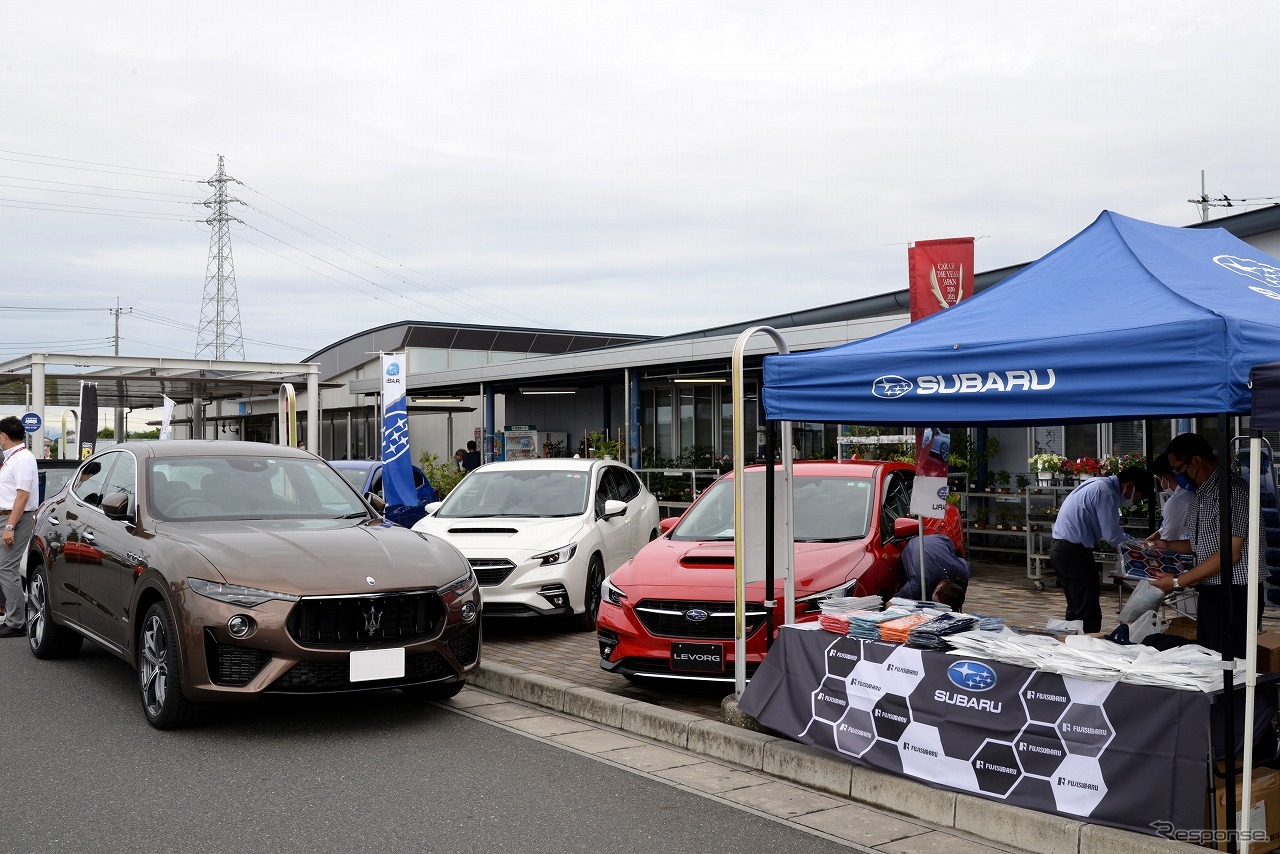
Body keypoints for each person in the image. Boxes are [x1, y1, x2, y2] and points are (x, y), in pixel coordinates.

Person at [1150, 433, 1255, 657]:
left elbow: (1229, 553)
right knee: (1208, 659)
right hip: (1211, 591)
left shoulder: (1230, 491)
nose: (1177, 476)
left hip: (1234, 592)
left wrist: (1178, 581)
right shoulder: (1202, 492)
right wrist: (1167, 545)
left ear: (1197, 461)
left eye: (1178, 469)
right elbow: (1203, 544)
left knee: (1227, 665)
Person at [1049, 466, 1152, 633]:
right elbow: (1113, 536)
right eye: (1136, 497)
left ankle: (1074, 643)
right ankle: (1087, 646)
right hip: (1072, 551)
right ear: (1129, 486)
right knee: (1087, 610)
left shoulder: (1098, 483)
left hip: (1063, 549)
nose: (1132, 501)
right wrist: (1140, 548)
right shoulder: (1106, 492)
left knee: (1077, 606)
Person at [0, 416, 39, 637]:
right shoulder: (14, 457)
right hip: (8, 518)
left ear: (4, 436)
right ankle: (9, 613)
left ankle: (16, 622)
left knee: (7, 568)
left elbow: (23, 496)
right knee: (3, 567)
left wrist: (10, 527)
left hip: (15, 519)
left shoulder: (22, 458)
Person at [896, 534, 970, 610]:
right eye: (935, 601)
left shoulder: (962, 571)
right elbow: (892, 603)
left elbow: (959, 593)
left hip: (941, 542)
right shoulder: (918, 583)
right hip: (914, 547)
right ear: (938, 587)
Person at [1145, 453, 1193, 543]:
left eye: (1159, 479)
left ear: (1165, 477)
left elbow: (1166, 542)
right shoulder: (1190, 492)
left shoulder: (1176, 501)